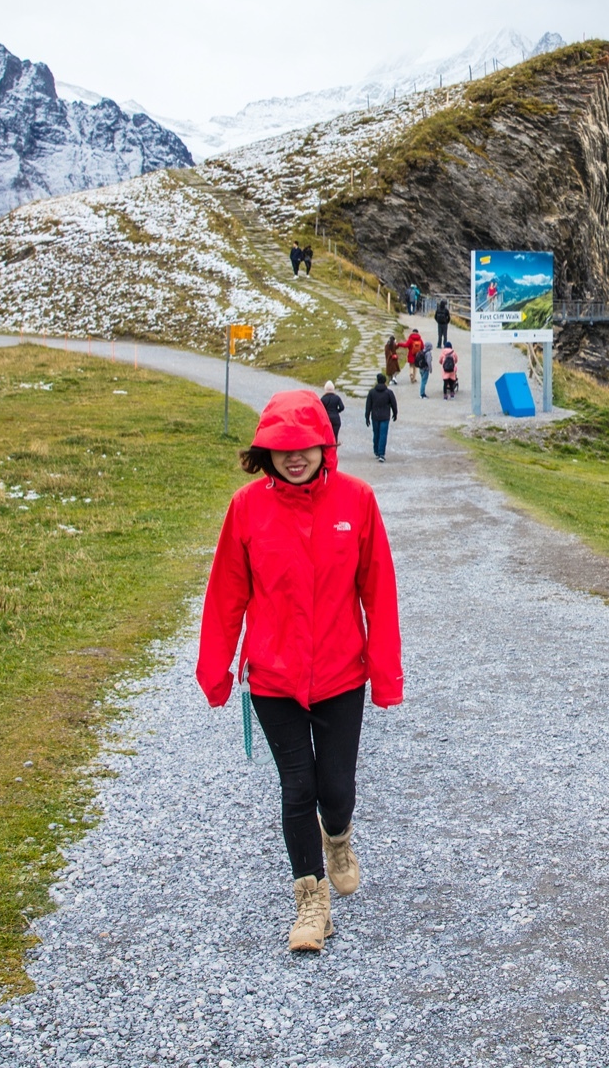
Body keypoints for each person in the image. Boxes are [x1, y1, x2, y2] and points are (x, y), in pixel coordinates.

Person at [195, 391, 402, 953]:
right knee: (297, 787)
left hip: (340, 673)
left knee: (335, 789)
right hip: (273, 677)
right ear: (264, 451)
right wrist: (214, 670)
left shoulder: (356, 501)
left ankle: (338, 836)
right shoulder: (246, 507)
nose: (294, 457)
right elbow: (226, 595)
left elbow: (378, 592)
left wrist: (386, 676)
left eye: (304, 446)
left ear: (323, 445)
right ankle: (311, 903)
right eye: (281, 448)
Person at [364, 373, 398, 462]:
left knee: (376, 434)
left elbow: (368, 406)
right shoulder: (389, 393)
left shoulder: (372, 392)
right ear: (385, 381)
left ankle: (376, 450)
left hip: (375, 416)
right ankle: (381, 453)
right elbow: (394, 404)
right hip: (385, 416)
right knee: (383, 434)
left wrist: (367, 417)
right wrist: (395, 413)